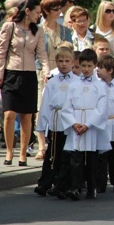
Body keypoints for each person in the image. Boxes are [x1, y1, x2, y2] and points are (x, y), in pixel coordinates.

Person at [0, 0, 51, 166]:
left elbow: (42, 54)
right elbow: (2, 52)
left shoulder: (38, 31)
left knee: (27, 116)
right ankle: (9, 151)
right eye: (37, 12)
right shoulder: (9, 27)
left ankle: (23, 153)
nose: (39, 16)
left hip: (29, 76)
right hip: (11, 74)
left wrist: (47, 70)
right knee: (9, 114)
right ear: (27, 11)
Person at [60, 49, 109, 200]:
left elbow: (102, 109)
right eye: (83, 66)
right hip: (76, 123)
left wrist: (88, 124)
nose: (86, 69)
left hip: (91, 125)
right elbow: (66, 106)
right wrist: (73, 123)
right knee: (76, 158)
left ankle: (91, 187)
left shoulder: (100, 86)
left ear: (95, 65)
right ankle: (76, 187)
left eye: (89, 65)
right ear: (79, 65)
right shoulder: (73, 85)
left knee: (92, 158)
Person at [34, 46, 77, 197]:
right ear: (56, 62)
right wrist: (42, 125)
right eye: (61, 61)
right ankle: (44, 183)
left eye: (67, 61)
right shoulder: (52, 82)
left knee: (67, 155)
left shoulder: (77, 81)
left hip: (70, 123)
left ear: (73, 62)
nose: (64, 64)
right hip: (56, 120)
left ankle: (61, 185)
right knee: (52, 154)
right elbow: (46, 104)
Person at [35, 0, 73, 160]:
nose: (59, 12)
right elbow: (35, 52)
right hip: (42, 71)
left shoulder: (64, 30)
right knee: (41, 107)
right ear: (46, 11)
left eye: (59, 8)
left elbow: (70, 50)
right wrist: (45, 70)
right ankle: (42, 146)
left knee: (62, 105)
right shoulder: (38, 29)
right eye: (55, 9)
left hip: (62, 70)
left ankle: (58, 141)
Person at [95, 54, 114, 193]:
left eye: (100, 68)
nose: (97, 70)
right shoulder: (97, 86)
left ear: (110, 70)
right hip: (102, 124)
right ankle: (100, 183)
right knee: (101, 156)